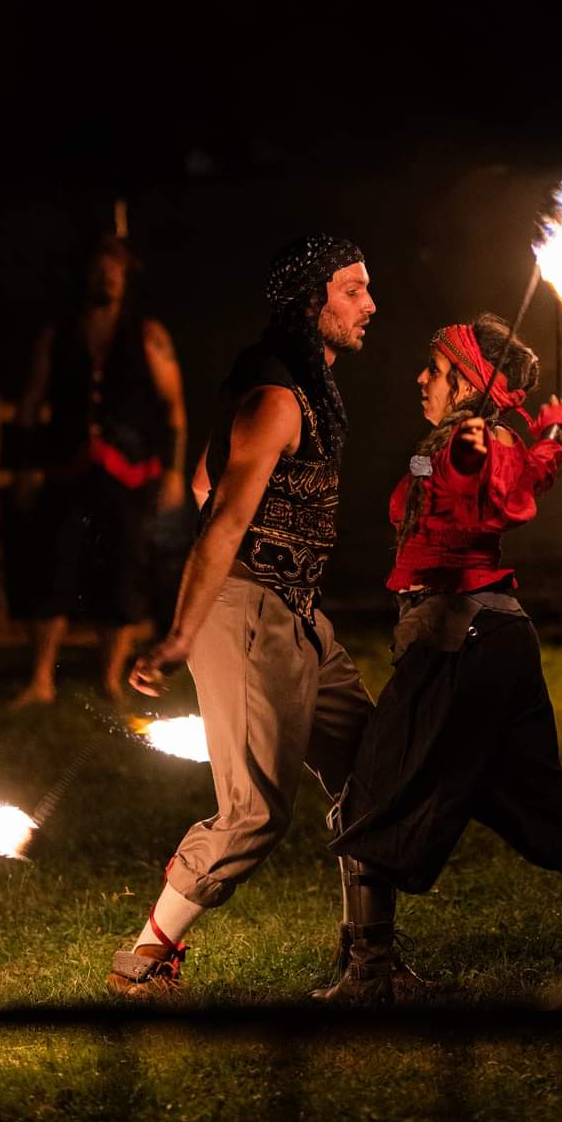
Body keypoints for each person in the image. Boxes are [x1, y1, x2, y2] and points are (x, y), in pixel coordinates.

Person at [315, 313, 562, 1001]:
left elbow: (495, 502)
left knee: (369, 791)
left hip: (461, 642)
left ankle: (371, 973)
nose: (422, 377)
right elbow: (423, 480)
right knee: (537, 804)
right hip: (499, 641)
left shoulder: (485, 442)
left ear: (470, 379)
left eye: (437, 368)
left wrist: (472, 456)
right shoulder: (452, 442)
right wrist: (551, 434)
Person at [107, 234, 382, 999]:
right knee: (253, 814)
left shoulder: (298, 380)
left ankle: (372, 965)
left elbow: (202, 480)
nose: (370, 305)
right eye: (352, 291)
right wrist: (191, 632)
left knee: (372, 772)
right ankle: (143, 962)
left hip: (293, 612)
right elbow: (221, 518)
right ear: (309, 303)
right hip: (252, 611)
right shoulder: (276, 397)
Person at [11, 233, 187, 705]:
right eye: (98, 269)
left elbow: (173, 410)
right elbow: (31, 402)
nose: (105, 278)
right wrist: (27, 466)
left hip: (127, 473)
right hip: (66, 468)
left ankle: (110, 679)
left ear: (125, 277)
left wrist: (172, 472)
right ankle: (41, 680)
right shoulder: (58, 332)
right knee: (52, 568)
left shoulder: (149, 334)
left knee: (122, 573)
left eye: (114, 271)